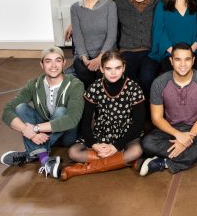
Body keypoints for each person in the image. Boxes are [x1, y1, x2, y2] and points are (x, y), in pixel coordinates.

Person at [0, 47, 84, 179]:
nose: (53, 66)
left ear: (64, 63)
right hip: (42, 134)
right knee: (21, 108)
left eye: (57, 60)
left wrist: (34, 129)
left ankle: (30, 154)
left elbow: (72, 119)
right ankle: (45, 160)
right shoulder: (33, 84)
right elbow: (7, 111)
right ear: (41, 64)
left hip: (68, 136)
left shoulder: (75, 84)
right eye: (48, 61)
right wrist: (27, 131)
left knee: (61, 111)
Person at [138, 43, 197, 175]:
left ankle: (164, 162)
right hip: (170, 130)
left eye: (187, 59)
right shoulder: (159, 83)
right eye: (178, 59)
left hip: (196, 130)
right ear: (171, 61)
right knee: (147, 142)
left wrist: (187, 139)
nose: (183, 64)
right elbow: (156, 118)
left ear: (193, 60)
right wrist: (178, 135)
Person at [61, 51, 145, 180]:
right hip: (102, 132)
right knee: (73, 152)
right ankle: (124, 160)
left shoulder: (134, 88)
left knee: (136, 151)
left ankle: (79, 170)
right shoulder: (94, 88)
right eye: (108, 68)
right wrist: (94, 144)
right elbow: (86, 122)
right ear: (101, 69)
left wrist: (116, 146)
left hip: (126, 133)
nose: (113, 72)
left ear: (124, 68)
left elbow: (138, 124)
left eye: (117, 68)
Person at [115, 0, 160, 99]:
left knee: (147, 77)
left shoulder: (159, 2)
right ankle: (132, 112)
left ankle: (146, 113)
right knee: (127, 78)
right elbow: (102, 16)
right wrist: (73, 24)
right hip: (127, 50)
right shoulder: (119, 4)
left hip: (150, 51)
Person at [70, 0, 118, 88]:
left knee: (103, 74)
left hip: (107, 53)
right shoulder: (75, 8)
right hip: (83, 55)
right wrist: (85, 58)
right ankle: (90, 104)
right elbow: (77, 36)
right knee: (85, 73)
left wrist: (100, 57)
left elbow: (112, 35)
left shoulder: (110, 5)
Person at [149, 0, 197, 69]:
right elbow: (159, 32)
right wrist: (175, 54)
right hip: (170, 54)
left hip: (193, 53)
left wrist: (191, 51)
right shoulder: (162, 6)